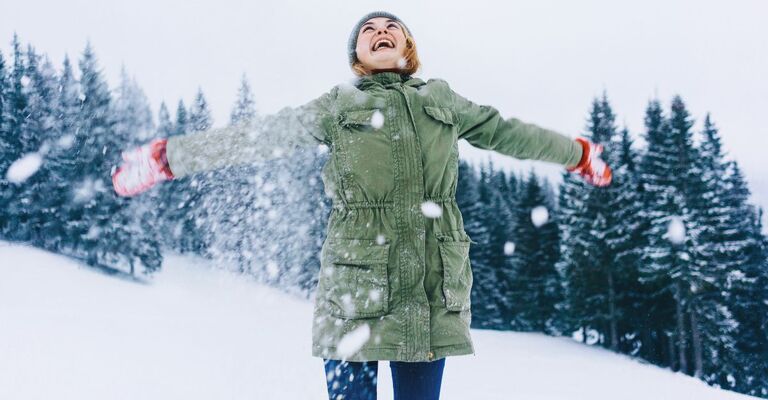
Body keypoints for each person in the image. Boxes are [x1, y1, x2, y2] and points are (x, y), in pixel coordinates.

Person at [112, 11, 612, 400]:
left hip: (429, 286)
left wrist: (578, 154)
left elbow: (509, 133)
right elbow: (265, 135)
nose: (380, 32)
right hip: (355, 284)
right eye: (368, 30)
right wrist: (170, 157)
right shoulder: (339, 104)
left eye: (391, 27)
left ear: (408, 47)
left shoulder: (442, 99)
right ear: (357, 55)